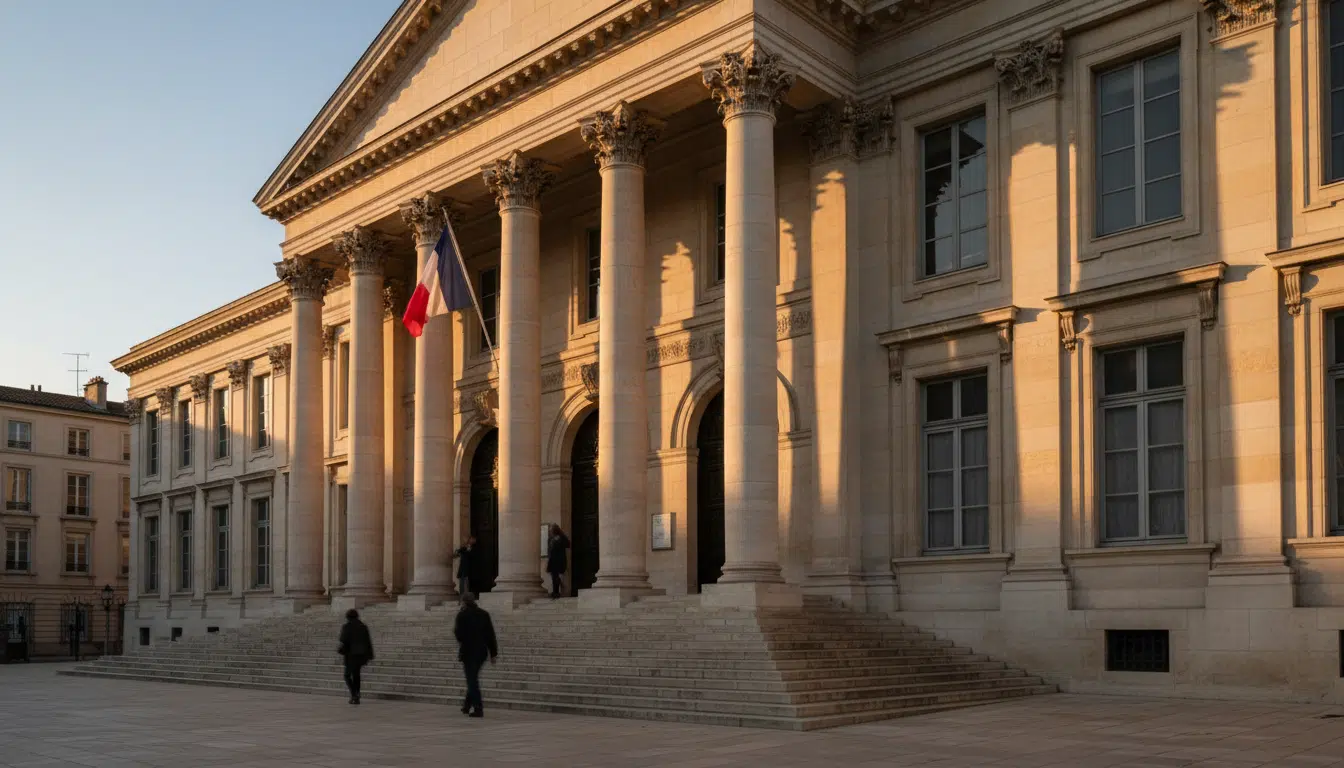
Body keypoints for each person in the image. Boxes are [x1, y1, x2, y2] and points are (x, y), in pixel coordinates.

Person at [454, 593, 497, 718]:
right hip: (482, 652)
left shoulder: (462, 615)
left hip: (468, 651)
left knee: (472, 679)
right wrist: (493, 653)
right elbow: (490, 635)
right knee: (472, 678)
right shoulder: (484, 614)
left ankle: (478, 708)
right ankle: (467, 705)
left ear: (464, 602)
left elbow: (459, 635)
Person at [337, 609, 374, 705]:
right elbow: (368, 642)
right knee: (356, 675)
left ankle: (354, 694)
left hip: (351, 655)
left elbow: (343, 640)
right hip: (361, 655)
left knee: (347, 675)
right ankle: (356, 694)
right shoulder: (363, 626)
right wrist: (370, 655)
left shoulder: (347, 626)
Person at [546, 524, 570, 599]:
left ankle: (556, 592)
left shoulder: (562, 537)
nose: (550, 531)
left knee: (556, 576)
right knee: (554, 576)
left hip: (559, 559)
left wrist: (561, 540)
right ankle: (556, 591)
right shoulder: (550, 539)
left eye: (552, 529)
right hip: (552, 559)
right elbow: (549, 550)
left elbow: (568, 544)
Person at [452, 536, 477, 601]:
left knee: (467, 585)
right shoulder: (463, 548)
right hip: (463, 570)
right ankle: (462, 598)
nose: (473, 540)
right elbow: (456, 553)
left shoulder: (475, 549)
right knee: (462, 585)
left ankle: (468, 598)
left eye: (473, 539)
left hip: (470, 570)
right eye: (471, 539)